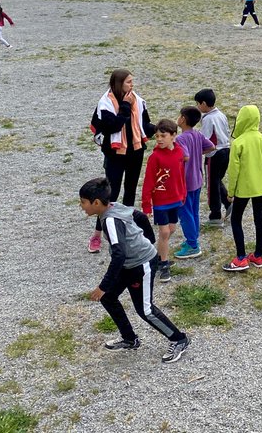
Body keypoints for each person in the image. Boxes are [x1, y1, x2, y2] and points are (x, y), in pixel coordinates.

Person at [78, 177, 190, 363]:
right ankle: (130, 339)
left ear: (96, 203)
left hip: (141, 265)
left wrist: (103, 285)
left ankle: (179, 339)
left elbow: (118, 255)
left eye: (83, 202)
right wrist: (148, 238)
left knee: (145, 310)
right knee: (108, 297)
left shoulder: (110, 221)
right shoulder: (113, 206)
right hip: (130, 263)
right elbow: (138, 215)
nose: (81, 206)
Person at [88, 69, 155, 253]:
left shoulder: (138, 101)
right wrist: (125, 106)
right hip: (115, 153)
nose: (131, 85)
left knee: (131, 190)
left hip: (135, 151)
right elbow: (115, 125)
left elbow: (144, 125)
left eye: (132, 82)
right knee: (110, 193)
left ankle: (126, 226)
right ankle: (97, 233)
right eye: (128, 82)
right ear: (118, 84)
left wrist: (157, 129)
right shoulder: (105, 104)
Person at [222, 105, 262, 272]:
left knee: (236, 219)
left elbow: (234, 170)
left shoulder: (238, 143)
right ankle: (258, 255)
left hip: (243, 188)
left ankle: (240, 258)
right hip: (261, 187)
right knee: (259, 218)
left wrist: (231, 192)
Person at [140, 119, 188, 283]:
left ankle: (160, 257)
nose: (159, 139)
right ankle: (164, 265)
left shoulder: (180, 153)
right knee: (165, 232)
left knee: (172, 229)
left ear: (173, 136)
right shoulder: (155, 157)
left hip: (175, 199)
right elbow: (148, 182)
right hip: (160, 201)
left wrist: (183, 194)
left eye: (163, 136)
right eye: (157, 136)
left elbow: (180, 176)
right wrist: (147, 205)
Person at [174, 107, 216, 260]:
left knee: (185, 214)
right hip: (197, 179)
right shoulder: (197, 134)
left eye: (180, 116)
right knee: (194, 211)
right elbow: (211, 146)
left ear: (183, 119)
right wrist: (198, 153)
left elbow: (184, 156)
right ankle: (193, 239)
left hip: (185, 182)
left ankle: (192, 245)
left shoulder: (180, 139)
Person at [196, 89, 232, 228]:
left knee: (211, 184)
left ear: (204, 103)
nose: (198, 107)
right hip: (226, 150)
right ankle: (229, 203)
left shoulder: (208, 119)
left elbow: (204, 139)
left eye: (198, 104)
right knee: (217, 180)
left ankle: (215, 215)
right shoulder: (221, 114)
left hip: (214, 154)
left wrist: (198, 151)